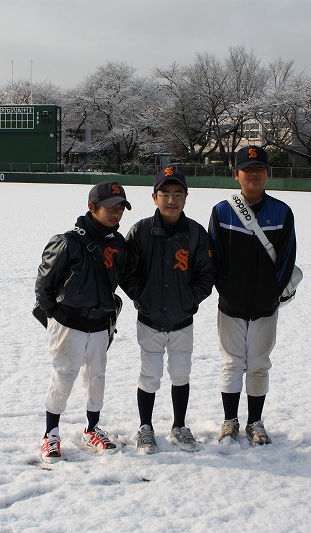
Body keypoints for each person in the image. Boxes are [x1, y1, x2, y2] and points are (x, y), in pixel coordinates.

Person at [34, 181, 132, 463]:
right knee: (64, 375)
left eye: (121, 208)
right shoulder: (67, 241)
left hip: (100, 323)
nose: (116, 213)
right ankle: (50, 433)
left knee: (97, 376)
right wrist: (56, 316)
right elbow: (44, 285)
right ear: (92, 207)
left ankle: (92, 428)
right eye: (110, 207)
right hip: (69, 323)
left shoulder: (118, 243)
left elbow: (124, 279)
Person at [207, 145, 297, 446]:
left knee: (259, 363)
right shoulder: (222, 211)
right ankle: (230, 421)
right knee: (231, 363)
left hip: (265, 305)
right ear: (236, 174)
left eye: (259, 169)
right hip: (231, 303)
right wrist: (226, 289)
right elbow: (215, 256)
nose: (254, 174)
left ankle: (255, 422)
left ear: (268, 174)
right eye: (247, 169)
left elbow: (287, 258)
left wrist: (271, 294)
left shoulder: (282, 212)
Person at [124, 167, 216, 454]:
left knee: (181, 373)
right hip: (149, 319)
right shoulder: (140, 231)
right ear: (154, 197)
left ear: (186, 197)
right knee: (149, 374)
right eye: (165, 194)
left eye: (178, 194)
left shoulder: (195, 233)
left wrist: (189, 300)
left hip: (182, 319)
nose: (172, 200)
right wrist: (142, 297)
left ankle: (179, 425)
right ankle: (145, 427)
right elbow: (127, 272)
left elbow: (206, 275)